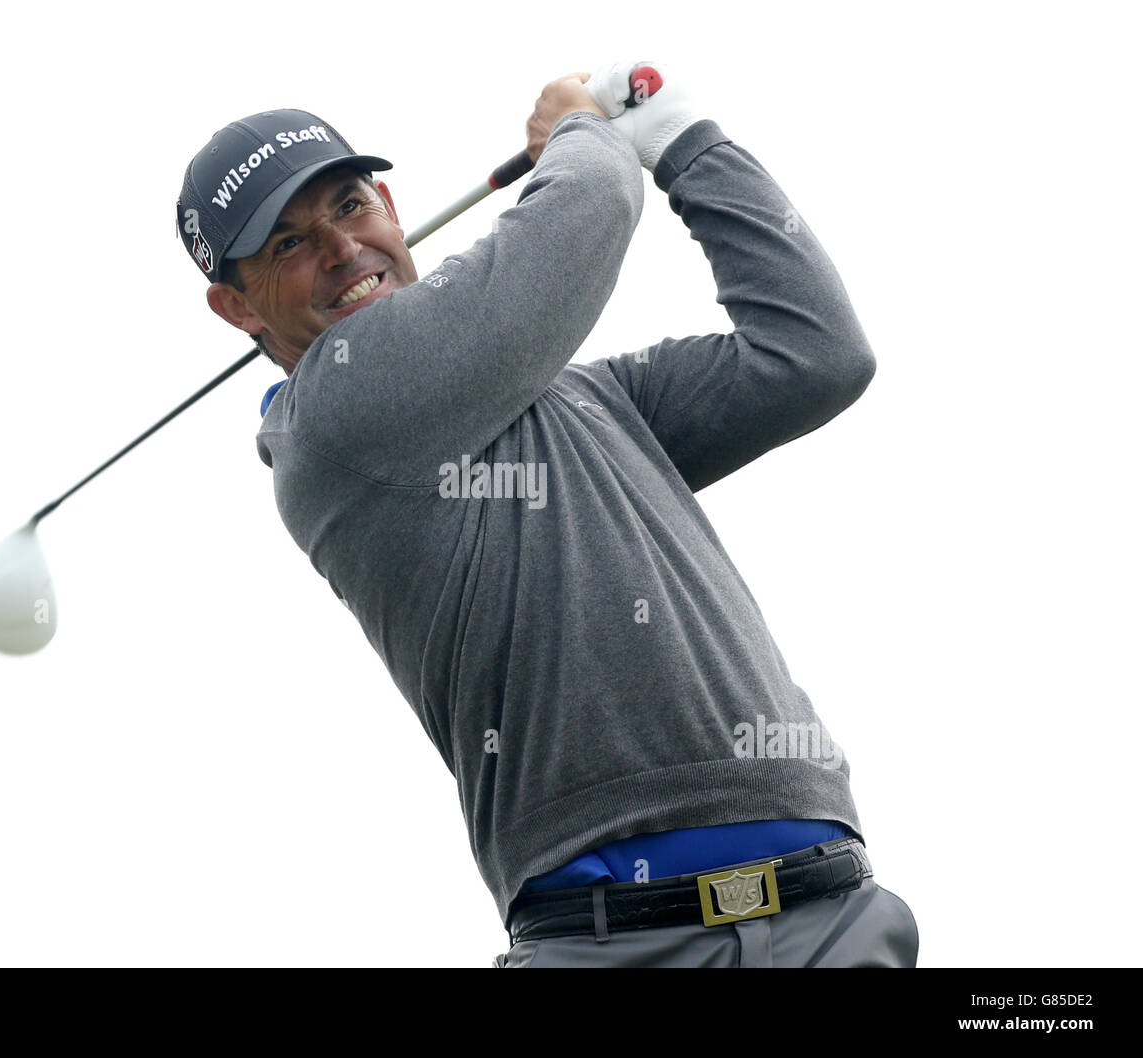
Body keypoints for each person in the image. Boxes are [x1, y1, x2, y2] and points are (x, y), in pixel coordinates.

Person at [175, 64, 919, 968]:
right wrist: (582, 133)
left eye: (351, 203)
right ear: (233, 305)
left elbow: (815, 352)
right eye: (288, 244)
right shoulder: (332, 419)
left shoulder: (588, 402)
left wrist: (688, 144)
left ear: (390, 204)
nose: (341, 248)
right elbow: (588, 209)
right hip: (609, 944)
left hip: (829, 906)